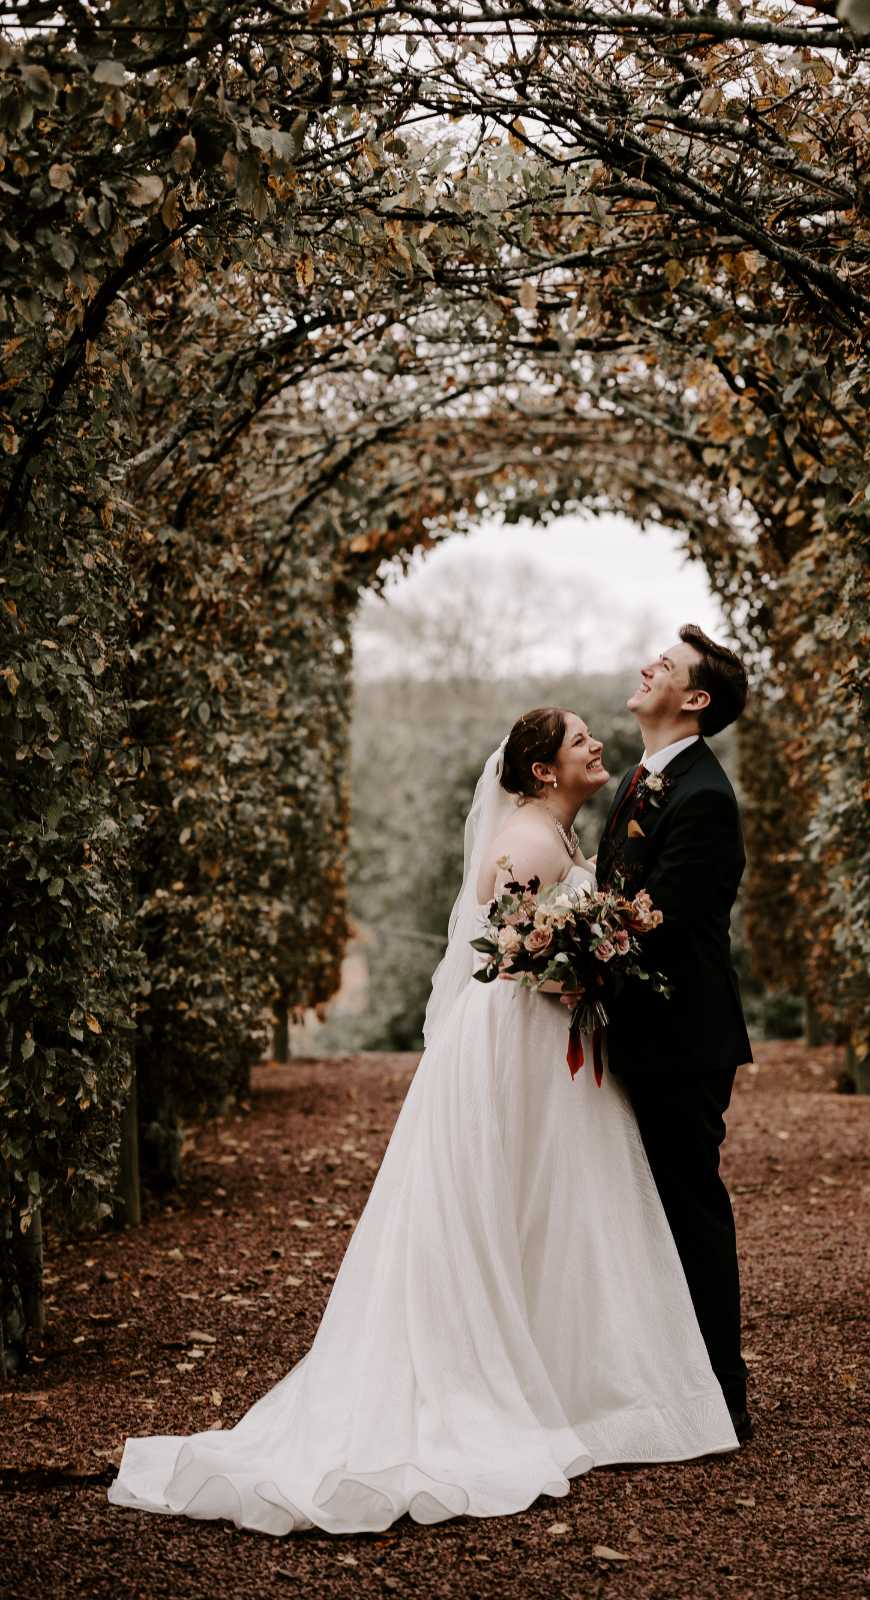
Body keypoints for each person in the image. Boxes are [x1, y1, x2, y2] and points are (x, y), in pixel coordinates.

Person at [107, 707, 737, 1539]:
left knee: (557, 1196)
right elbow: (510, 941)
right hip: (521, 1040)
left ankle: (564, 1368)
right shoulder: (534, 840)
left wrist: (581, 958)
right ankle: (526, 1376)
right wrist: (572, 960)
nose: (594, 747)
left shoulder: (556, 832)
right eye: (578, 740)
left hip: (548, 1038)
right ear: (544, 771)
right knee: (525, 1189)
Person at [595, 625, 753, 1439]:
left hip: (682, 1040)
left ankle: (720, 1395)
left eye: (667, 664)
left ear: (693, 700)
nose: (646, 663)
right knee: (639, 1209)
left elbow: (652, 924)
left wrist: (570, 943)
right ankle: (657, 1376)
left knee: (687, 1208)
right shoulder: (639, 780)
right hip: (635, 1031)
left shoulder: (703, 799)